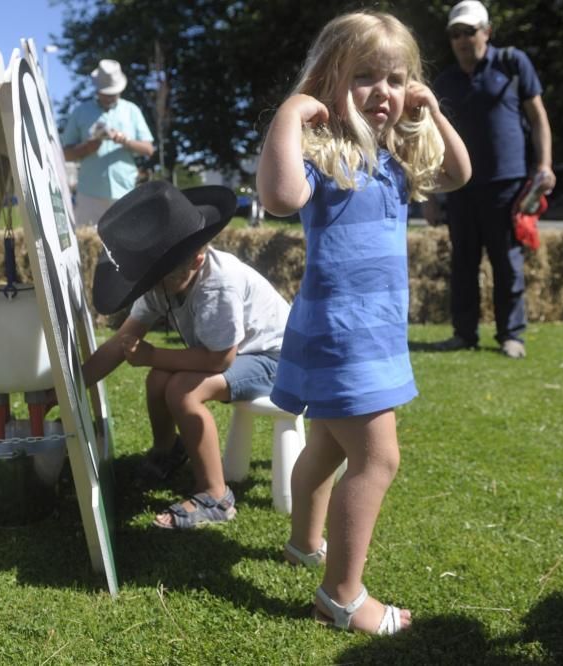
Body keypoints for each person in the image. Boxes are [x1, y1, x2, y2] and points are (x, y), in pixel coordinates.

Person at [257, 12, 471, 634]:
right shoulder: (324, 152)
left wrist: (430, 109)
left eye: (396, 78)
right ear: (330, 81)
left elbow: (458, 174)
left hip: (369, 331)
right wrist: (290, 115)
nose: (383, 91)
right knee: (377, 459)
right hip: (341, 331)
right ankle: (342, 594)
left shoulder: (398, 154)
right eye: (365, 77)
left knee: (325, 445)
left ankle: (303, 544)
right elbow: (278, 198)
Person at [83, 180, 290, 529]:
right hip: (233, 353)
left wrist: (151, 354)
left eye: (160, 276)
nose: (152, 286)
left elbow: (218, 360)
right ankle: (168, 451)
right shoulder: (162, 280)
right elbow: (121, 342)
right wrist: (71, 386)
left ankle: (215, 495)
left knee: (183, 390)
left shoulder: (217, 286)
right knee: (159, 379)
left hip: (276, 358)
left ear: (197, 259)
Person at [427, 0, 556, 359]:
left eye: (469, 31)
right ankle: (463, 334)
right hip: (459, 187)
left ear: (487, 31)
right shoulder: (444, 82)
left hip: (507, 185)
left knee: (507, 262)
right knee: (463, 264)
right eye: (456, 34)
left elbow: (539, 117)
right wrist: (430, 195)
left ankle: (511, 335)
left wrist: (544, 164)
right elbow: (431, 142)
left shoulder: (512, 64)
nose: (463, 40)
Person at [60, 59, 155, 227]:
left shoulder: (131, 110)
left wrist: (125, 141)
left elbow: (148, 149)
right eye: (106, 93)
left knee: (127, 246)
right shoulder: (81, 112)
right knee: (88, 247)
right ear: (98, 90)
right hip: (90, 194)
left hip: (125, 190)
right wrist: (86, 148)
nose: (109, 96)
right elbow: (64, 154)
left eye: (113, 92)